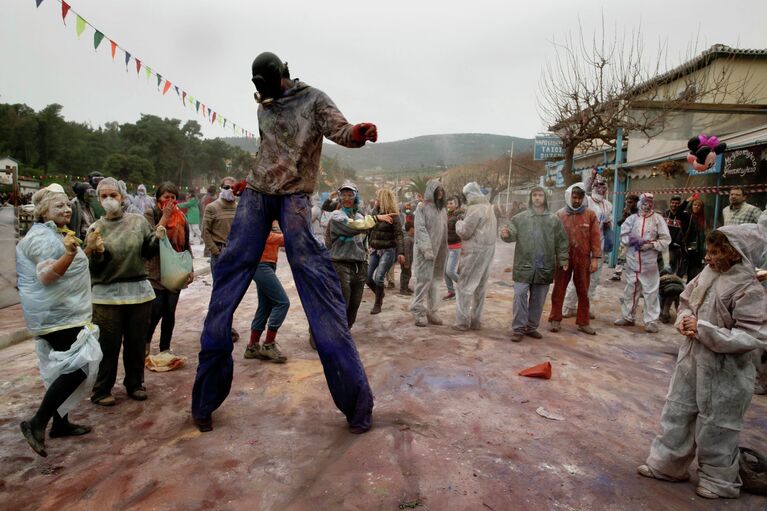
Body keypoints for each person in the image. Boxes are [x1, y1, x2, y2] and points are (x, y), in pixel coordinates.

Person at [191, 52, 377, 434]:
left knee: (316, 281)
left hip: (293, 197)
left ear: (281, 75)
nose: (260, 92)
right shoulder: (265, 106)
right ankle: (204, 402)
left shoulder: (314, 99)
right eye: (256, 87)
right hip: (258, 194)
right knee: (228, 275)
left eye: (265, 84)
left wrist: (358, 133)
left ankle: (357, 406)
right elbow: (267, 152)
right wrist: (247, 179)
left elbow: (339, 130)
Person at [637, 227, 767, 500]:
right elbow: (685, 301)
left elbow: (749, 337)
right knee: (678, 411)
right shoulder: (707, 274)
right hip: (692, 360)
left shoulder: (749, 288)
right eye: (709, 251)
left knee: (718, 425)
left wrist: (703, 329)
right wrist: (683, 318)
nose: (708, 257)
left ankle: (719, 481)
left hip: (726, 371)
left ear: (735, 254)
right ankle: (666, 465)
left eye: (716, 252)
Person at [16, 184, 103, 457]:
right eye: (58, 206)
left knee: (60, 369)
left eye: (67, 204)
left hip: (64, 312)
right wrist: (70, 253)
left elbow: (68, 269)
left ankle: (60, 424)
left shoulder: (58, 234)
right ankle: (37, 423)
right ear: (43, 212)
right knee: (78, 366)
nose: (66, 209)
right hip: (55, 316)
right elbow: (48, 276)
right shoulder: (40, 238)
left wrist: (86, 249)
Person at [88, 177, 165, 406]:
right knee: (107, 345)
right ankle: (102, 390)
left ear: (122, 197)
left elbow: (147, 251)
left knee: (136, 342)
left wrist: (157, 237)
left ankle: (135, 383)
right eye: (104, 196)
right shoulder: (96, 227)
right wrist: (96, 251)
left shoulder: (137, 222)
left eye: (114, 195)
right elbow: (92, 266)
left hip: (138, 292)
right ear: (99, 199)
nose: (109, 200)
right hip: (106, 296)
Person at [501, 187, 569, 342]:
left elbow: (562, 241)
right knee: (519, 295)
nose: (537, 198)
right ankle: (518, 328)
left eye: (540, 195)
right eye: (534, 195)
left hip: (544, 265)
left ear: (545, 198)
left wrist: (563, 259)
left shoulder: (553, 220)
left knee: (538, 299)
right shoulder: (520, 218)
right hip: (523, 264)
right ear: (530, 198)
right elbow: (510, 232)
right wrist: (506, 234)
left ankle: (531, 327)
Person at [326, 182, 393, 327]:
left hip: (359, 266)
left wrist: (365, 258)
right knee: (343, 302)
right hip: (341, 264)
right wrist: (375, 219)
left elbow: (364, 239)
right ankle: (332, 333)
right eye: (343, 195)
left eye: (350, 195)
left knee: (355, 305)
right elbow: (352, 227)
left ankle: (345, 333)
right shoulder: (337, 216)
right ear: (339, 197)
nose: (347, 198)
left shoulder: (360, 216)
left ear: (356, 197)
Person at [144, 182, 194, 355]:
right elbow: (150, 239)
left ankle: (165, 347)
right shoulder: (151, 213)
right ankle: (146, 342)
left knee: (170, 311)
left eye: (173, 197)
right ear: (159, 197)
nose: (170, 201)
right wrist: (164, 217)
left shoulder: (181, 217)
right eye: (166, 197)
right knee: (156, 309)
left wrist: (190, 267)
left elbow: (186, 244)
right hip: (155, 270)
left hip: (176, 271)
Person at [548, 183, 601, 335]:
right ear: (569, 197)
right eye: (574, 197)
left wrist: (595, 259)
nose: (577, 201)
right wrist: (554, 257)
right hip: (563, 258)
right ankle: (555, 319)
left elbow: (595, 238)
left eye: (580, 198)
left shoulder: (590, 215)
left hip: (583, 259)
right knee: (559, 289)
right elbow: (553, 238)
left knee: (583, 291)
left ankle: (583, 322)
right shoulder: (560, 215)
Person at [614, 193, 671, 333]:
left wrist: (651, 245)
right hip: (633, 261)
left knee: (651, 292)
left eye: (650, 202)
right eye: (645, 201)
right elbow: (623, 236)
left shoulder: (658, 219)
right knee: (630, 290)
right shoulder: (632, 219)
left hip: (649, 263)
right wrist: (634, 241)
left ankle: (651, 321)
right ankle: (628, 317)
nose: (647, 204)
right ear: (640, 203)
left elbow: (665, 239)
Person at [562, 169, 612, 319]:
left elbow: (607, 224)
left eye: (604, 187)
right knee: (577, 279)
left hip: (599, 247)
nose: (601, 189)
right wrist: (592, 177)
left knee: (594, 281)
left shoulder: (608, 205)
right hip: (583, 246)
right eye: (598, 186)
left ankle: (584, 307)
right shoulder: (587, 201)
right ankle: (568, 307)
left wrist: (609, 240)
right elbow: (582, 187)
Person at [452, 182, 497, 331]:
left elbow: (465, 232)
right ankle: (476, 321)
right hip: (488, 251)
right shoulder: (489, 207)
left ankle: (462, 322)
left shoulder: (474, 209)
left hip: (474, 251)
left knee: (464, 286)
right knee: (480, 287)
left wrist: (458, 223)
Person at [243, 221, 290, 363]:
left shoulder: (274, 219)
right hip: (260, 264)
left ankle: (252, 347)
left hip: (269, 264)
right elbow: (265, 237)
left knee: (265, 306)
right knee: (282, 302)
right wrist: (294, 235)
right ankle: (268, 344)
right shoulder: (258, 216)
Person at [411, 179, 448, 327]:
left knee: (435, 283)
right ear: (431, 192)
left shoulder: (442, 210)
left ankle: (432, 312)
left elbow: (444, 232)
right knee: (423, 282)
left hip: (439, 251)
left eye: (441, 190)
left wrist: (445, 250)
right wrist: (427, 249)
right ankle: (418, 312)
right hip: (424, 252)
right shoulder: (422, 207)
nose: (440, 193)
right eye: (437, 190)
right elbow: (420, 229)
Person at [366, 188, 405, 314]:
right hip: (375, 250)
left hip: (388, 250)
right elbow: (369, 229)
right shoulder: (374, 213)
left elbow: (399, 235)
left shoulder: (394, 216)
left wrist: (401, 252)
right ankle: (380, 293)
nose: (375, 201)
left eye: (378, 199)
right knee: (367, 277)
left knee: (379, 277)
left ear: (384, 200)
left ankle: (377, 304)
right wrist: (368, 243)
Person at [202, 177, 237, 271]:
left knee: (235, 285)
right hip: (219, 252)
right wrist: (216, 252)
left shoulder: (239, 208)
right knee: (220, 285)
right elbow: (205, 231)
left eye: (233, 188)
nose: (230, 190)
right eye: (227, 187)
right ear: (221, 188)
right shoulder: (212, 207)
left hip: (236, 254)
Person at [610, 194, 639, 281]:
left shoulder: (639, 212)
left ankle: (635, 276)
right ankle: (617, 274)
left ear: (636, 203)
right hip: (625, 237)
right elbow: (619, 223)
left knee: (635, 258)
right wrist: (625, 217)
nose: (628, 204)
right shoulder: (626, 210)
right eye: (627, 202)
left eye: (630, 202)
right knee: (621, 256)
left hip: (635, 238)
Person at [664, 195, 691, 277]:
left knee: (676, 268)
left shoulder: (683, 216)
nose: (674, 205)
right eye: (672, 203)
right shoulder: (665, 214)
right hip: (665, 245)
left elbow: (685, 231)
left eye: (677, 203)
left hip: (677, 246)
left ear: (680, 205)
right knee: (665, 267)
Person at [684, 196, 708, 281]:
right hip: (687, 247)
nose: (696, 207)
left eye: (698, 205)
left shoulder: (702, 219)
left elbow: (702, 236)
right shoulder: (687, 216)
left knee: (693, 270)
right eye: (694, 204)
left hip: (697, 249)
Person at [443, 196, 462, 301]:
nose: (449, 205)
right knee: (445, 272)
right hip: (447, 247)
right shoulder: (447, 215)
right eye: (448, 203)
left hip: (455, 247)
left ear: (456, 204)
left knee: (450, 271)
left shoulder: (459, 215)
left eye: (451, 203)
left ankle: (464, 287)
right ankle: (451, 292)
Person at [400, 221, 415, 295]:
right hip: (406, 261)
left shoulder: (410, 238)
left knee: (408, 273)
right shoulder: (407, 239)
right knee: (405, 274)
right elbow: (406, 251)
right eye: (414, 228)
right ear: (411, 229)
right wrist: (407, 262)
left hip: (409, 260)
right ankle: (403, 289)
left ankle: (405, 287)